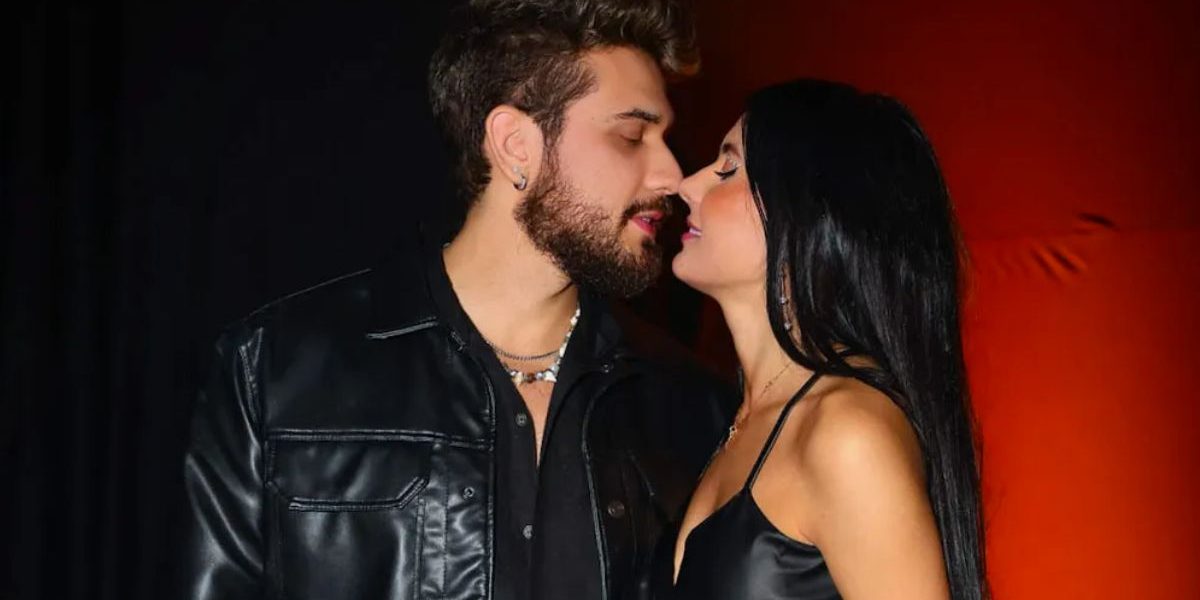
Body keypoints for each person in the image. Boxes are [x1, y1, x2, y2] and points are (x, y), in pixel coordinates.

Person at [173, 2, 733, 599]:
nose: (672, 174)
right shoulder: (274, 369)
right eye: (631, 136)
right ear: (515, 144)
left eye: (663, 139)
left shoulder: (692, 406)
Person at [659, 79, 988, 599]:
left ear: (808, 213)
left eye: (729, 168)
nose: (688, 185)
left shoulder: (845, 432)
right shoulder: (732, 419)